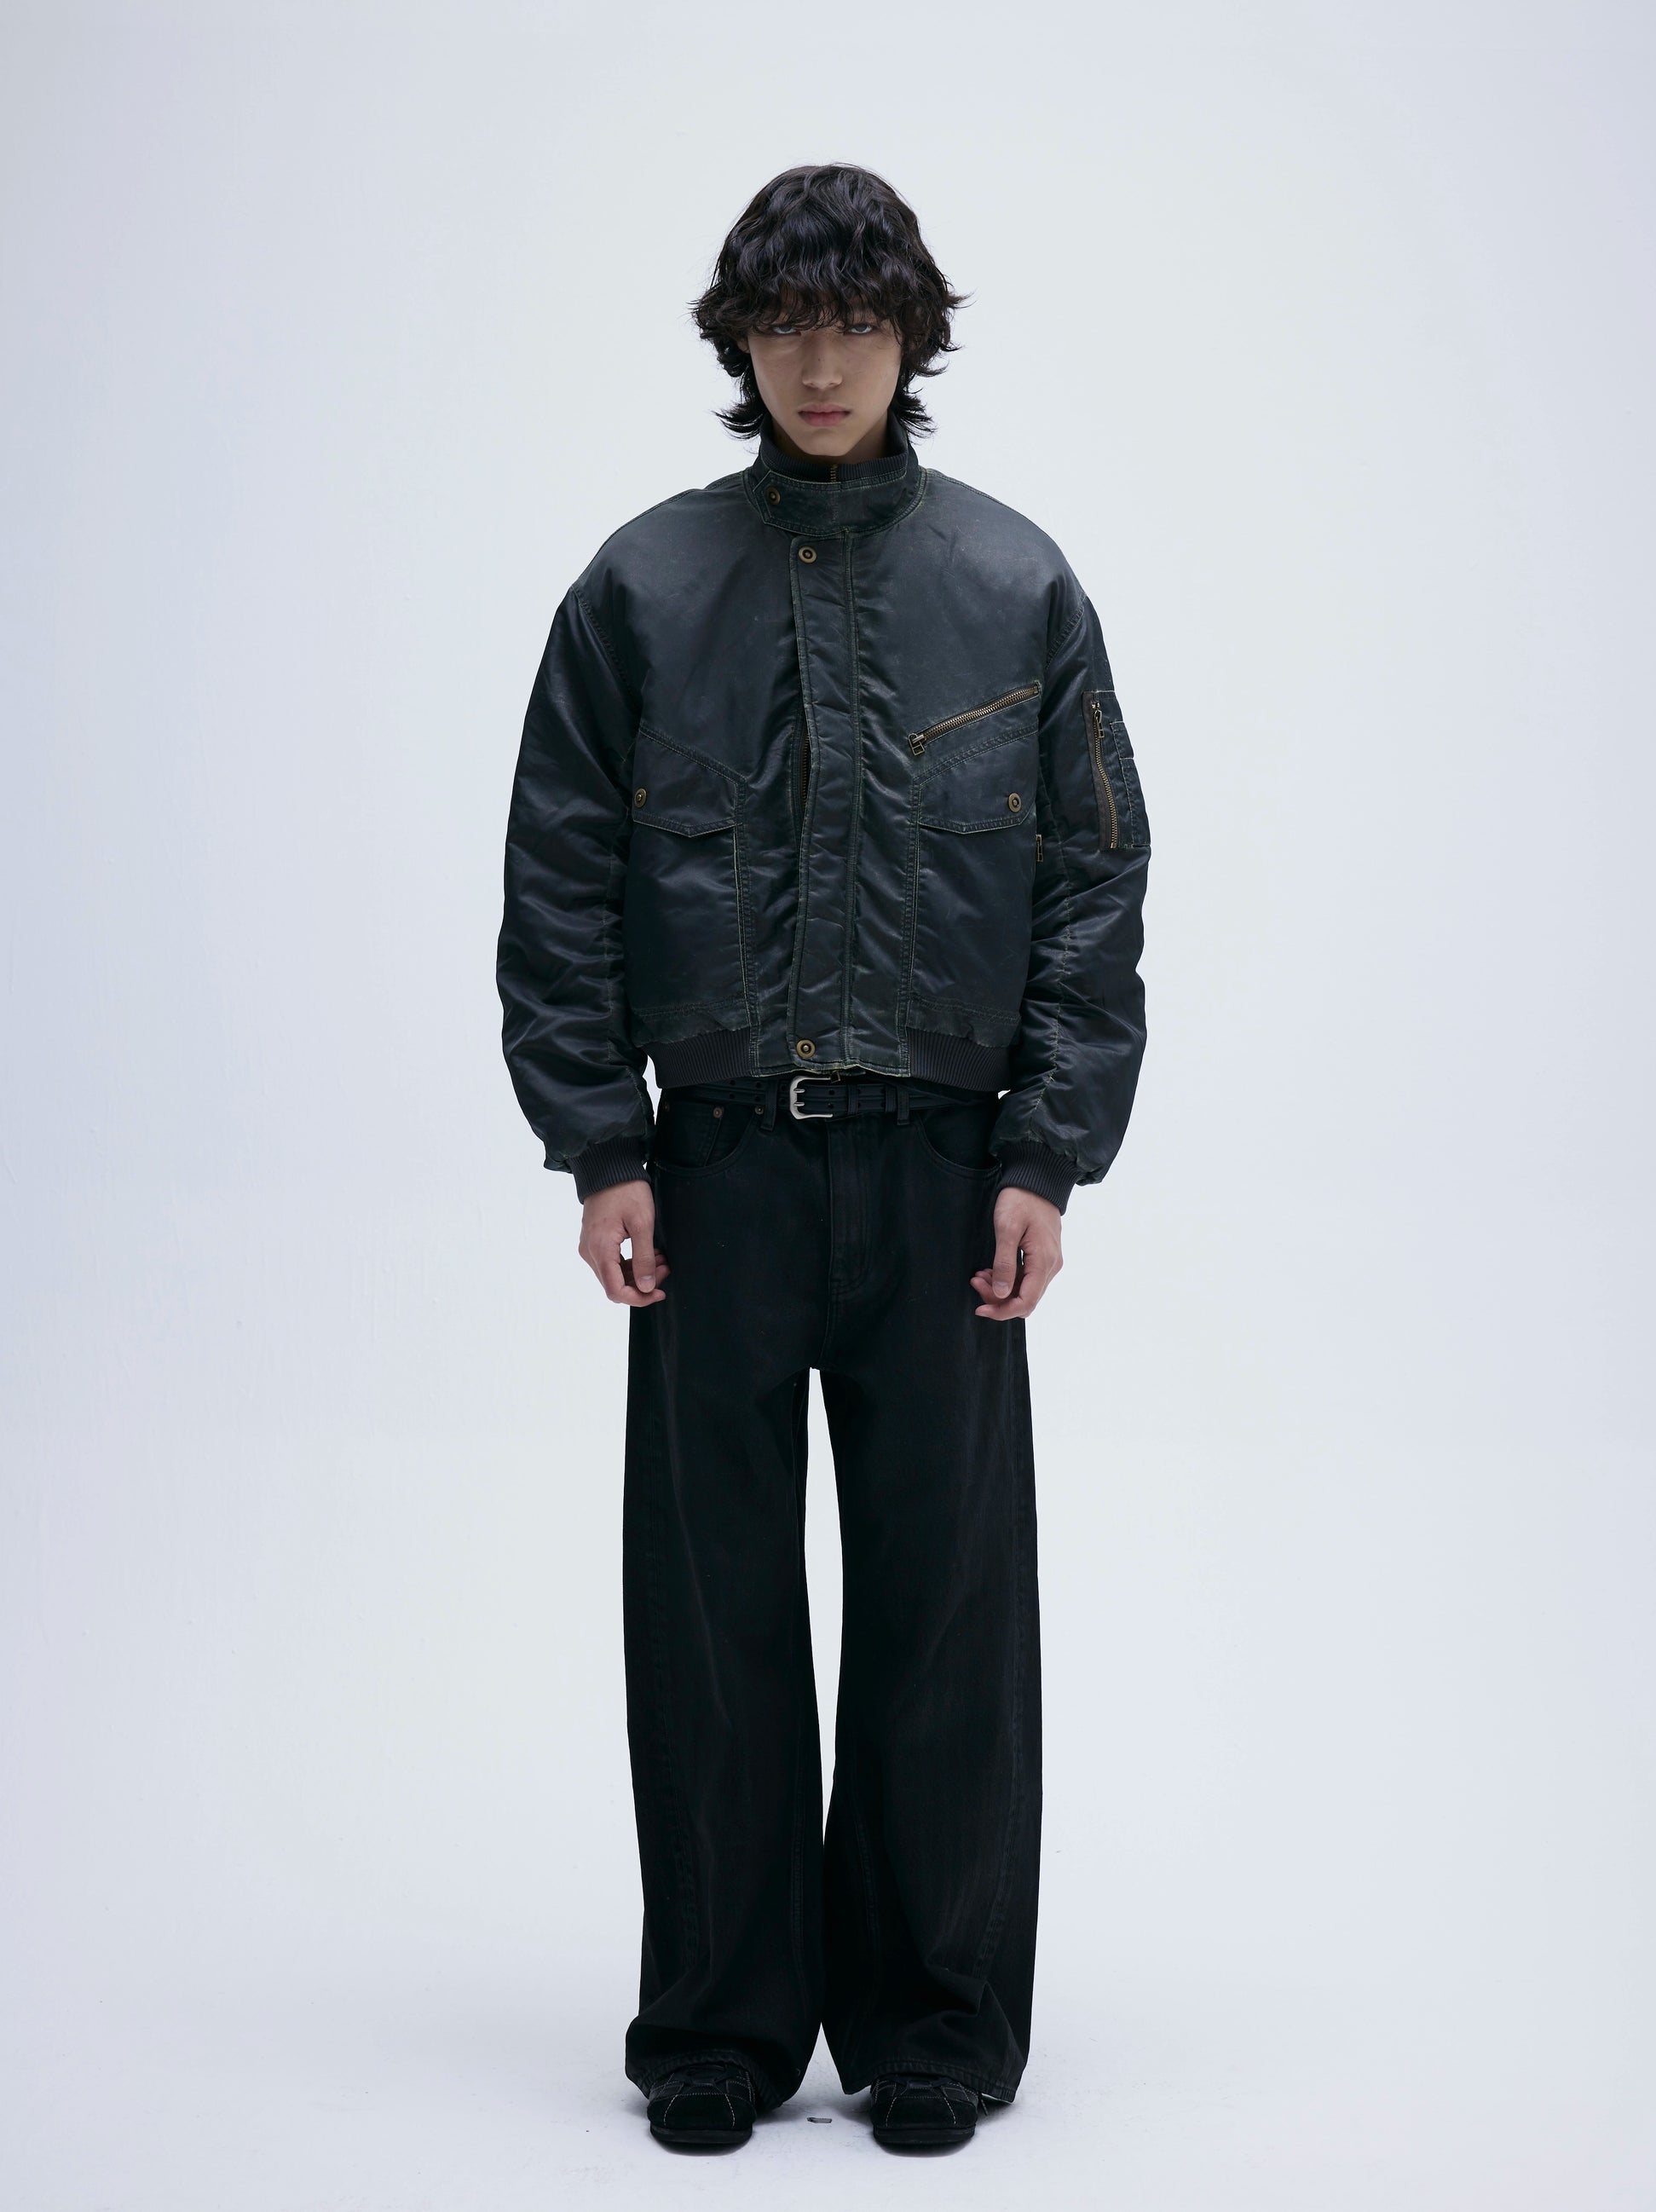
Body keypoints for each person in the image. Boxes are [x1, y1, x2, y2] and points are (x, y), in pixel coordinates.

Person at [497, 164, 1150, 2153]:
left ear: (911, 337)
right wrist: (599, 1139)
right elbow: (559, 877)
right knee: (708, 1609)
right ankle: (717, 2019)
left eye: (857, 325)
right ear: (739, 343)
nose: (821, 363)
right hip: (711, 1173)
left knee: (946, 1609)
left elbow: (1090, 884)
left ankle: (934, 2020)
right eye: (786, 326)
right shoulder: (637, 587)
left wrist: (1044, 1150)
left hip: (949, 1176)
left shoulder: (1015, 583)